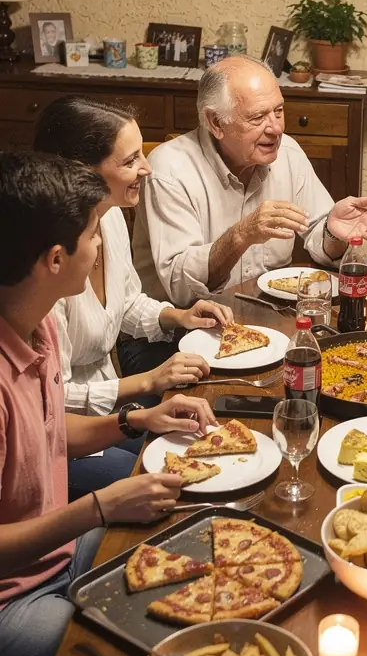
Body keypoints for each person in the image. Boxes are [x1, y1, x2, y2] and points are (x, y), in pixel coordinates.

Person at [0, 151, 217, 656]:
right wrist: (99, 507)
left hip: (56, 551)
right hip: (6, 607)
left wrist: (137, 420)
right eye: (95, 234)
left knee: (203, 548)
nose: (104, 246)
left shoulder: (39, 329)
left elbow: (51, 431)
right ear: (55, 257)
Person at [32, 96, 233, 492]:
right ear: (81, 172)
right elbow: (51, 404)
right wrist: (150, 381)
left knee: (200, 444)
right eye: (130, 161)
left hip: (112, 408)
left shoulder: (111, 220)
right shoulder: (49, 269)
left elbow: (126, 303)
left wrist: (180, 316)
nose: (147, 168)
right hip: (66, 433)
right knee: (167, 479)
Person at [133, 56, 367, 306]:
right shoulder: (169, 170)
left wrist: (332, 233)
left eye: (278, 111)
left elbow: (319, 235)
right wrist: (241, 235)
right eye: (257, 117)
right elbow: (181, 289)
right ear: (216, 122)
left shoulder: (287, 153)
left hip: (266, 316)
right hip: (176, 331)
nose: (276, 128)